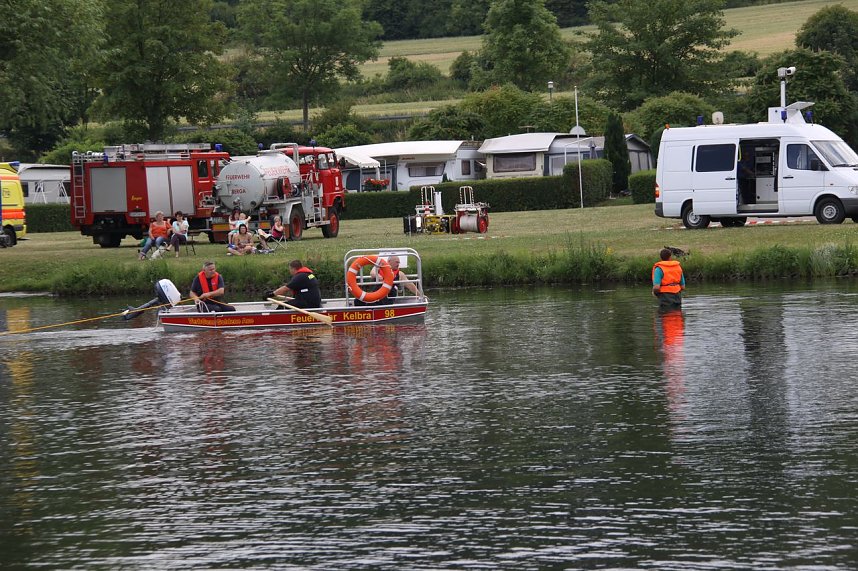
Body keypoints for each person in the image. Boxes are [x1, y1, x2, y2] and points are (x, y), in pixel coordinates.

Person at [355, 255, 423, 305]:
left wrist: (420, 295)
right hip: (375, 297)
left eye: (399, 262)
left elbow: (410, 285)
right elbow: (372, 273)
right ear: (389, 262)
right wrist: (377, 275)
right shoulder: (379, 268)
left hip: (388, 300)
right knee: (357, 301)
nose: (398, 264)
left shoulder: (400, 274)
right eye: (396, 262)